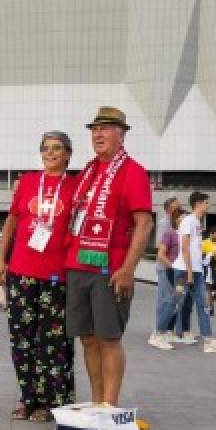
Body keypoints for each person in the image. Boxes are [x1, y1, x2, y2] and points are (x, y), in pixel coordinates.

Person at [64, 107, 153, 407]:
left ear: (122, 134)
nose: (98, 134)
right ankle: (96, 402)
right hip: (78, 265)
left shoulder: (133, 171)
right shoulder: (87, 171)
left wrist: (129, 268)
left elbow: (145, 223)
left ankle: (109, 407)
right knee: (87, 338)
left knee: (108, 338)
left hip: (110, 269)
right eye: (94, 129)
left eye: (106, 128)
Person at [0, 130, 78, 421]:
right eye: (45, 148)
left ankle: (52, 401)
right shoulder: (28, 182)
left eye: (57, 148)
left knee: (53, 341)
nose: (50, 153)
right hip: (21, 270)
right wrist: (1, 259)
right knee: (21, 338)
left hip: (57, 275)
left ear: (68, 153)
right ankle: (28, 397)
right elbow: (12, 222)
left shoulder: (76, 187)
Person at [172, 192, 216, 353]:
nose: (208, 205)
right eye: (206, 202)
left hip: (196, 272)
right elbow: (184, 248)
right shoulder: (188, 221)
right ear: (198, 204)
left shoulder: (197, 222)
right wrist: (190, 272)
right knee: (175, 302)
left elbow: (195, 249)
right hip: (184, 272)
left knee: (202, 305)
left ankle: (208, 340)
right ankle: (160, 333)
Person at [148, 196, 181, 351]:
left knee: (172, 300)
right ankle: (158, 331)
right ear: (168, 209)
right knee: (165, 300)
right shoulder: (164, 223)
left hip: (174, 268)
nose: (179, 209)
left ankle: (166, 330)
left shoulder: (180, 223)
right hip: (165, 267)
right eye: (176, 206)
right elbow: (160, 246)